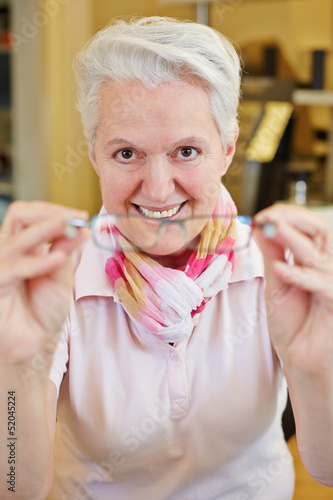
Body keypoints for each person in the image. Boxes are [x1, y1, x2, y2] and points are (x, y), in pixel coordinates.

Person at [0, 16, 333, 500]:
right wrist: (13, 366)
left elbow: (327, 471)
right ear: (93, 153)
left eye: (186, 151)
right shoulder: (56, 281)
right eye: (127, 153)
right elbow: (14, 486)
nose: (157, 190)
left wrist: (318, 368)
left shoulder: (277, 270)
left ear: (227, 148)